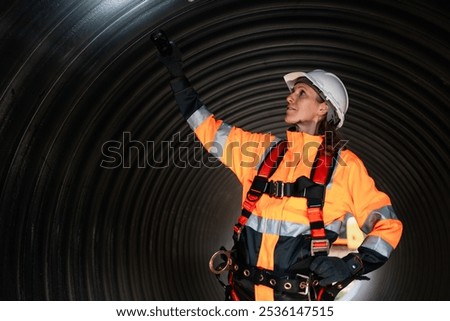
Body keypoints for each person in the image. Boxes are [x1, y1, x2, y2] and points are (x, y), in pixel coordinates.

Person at [151, 30, 403, 301]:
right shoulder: (260, 152)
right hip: (241, 296)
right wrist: (178, 78)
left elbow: (388, 225)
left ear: (323, 109)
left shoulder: (345, 167)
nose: (289, 98)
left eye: (301, 93)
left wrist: (352, 265)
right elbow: (208, 129)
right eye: (292, 92)